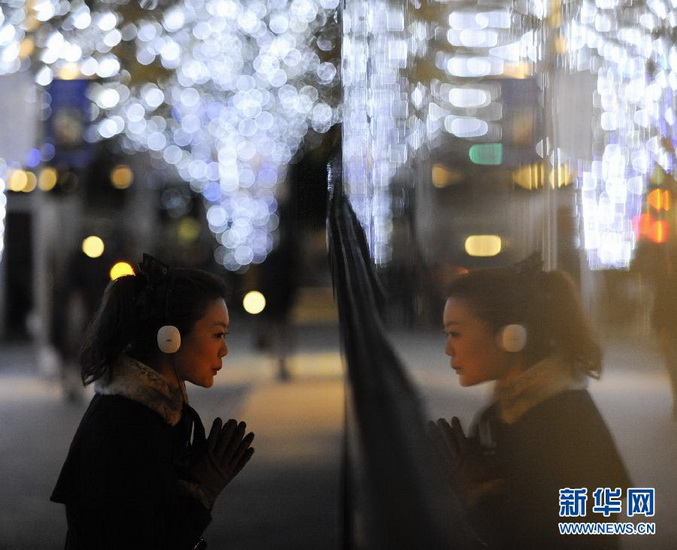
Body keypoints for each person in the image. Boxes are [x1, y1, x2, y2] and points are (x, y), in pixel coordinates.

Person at [51, 254, 255, 550]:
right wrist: (198, 494)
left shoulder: (158, 412)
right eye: (217, 334)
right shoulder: (127, 423)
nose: (224, 350)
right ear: (170, 337)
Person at [428, 258, 631, 549]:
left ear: (510, 336)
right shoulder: (499, 415)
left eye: (456, 333)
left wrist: (477, 496)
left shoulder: (566, 422)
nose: (448, 349)